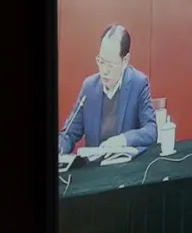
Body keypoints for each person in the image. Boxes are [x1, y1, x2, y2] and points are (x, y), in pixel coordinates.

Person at [59, 24, 157, 154]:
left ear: (125, 60)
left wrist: (123, 140)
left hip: (125, 164)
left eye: (110, 65)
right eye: (101, 61)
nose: (104, 71)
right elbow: (68, 134)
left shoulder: (138, 83)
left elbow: (151, 130)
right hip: (95, 164)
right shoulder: (89, 87)